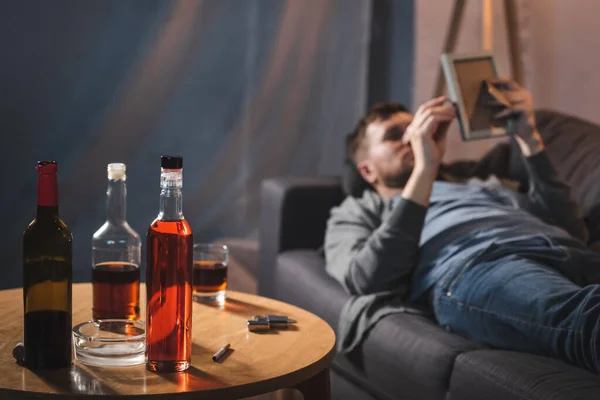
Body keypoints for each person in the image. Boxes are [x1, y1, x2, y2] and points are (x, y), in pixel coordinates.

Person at [324, 79, 600, 374]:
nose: (412, 138)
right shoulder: (361, 209)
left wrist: (529, 139)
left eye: (415, 128)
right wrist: (424, 170)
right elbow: (369, 279)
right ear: (367, 170)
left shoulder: (477, 182)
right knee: (586, 320)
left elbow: (573, 228)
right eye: (395, 135)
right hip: (483, 263)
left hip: (565, 249)